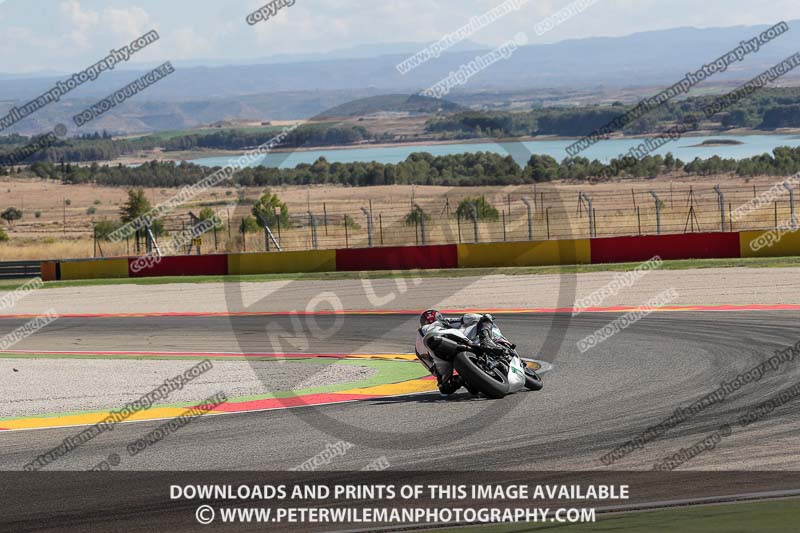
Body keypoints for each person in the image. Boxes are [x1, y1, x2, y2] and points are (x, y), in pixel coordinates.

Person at [414, 309, 501, 396]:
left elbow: (427, 363)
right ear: (439, 317)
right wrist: (484, 318)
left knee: (445, 388)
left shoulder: (420, 339)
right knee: (484, 318)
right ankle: (486, 340)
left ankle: (462, 379)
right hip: (452, 339)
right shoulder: (444, 322)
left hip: (440, 356)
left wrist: (438, 372)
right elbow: (467, 319)